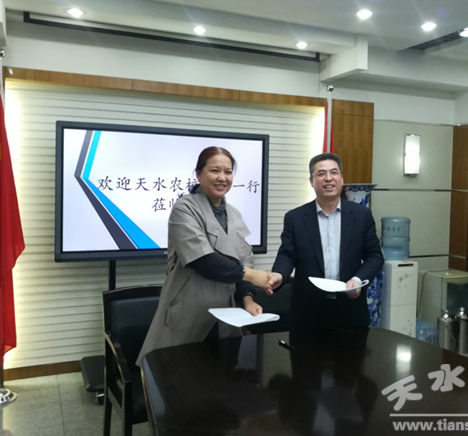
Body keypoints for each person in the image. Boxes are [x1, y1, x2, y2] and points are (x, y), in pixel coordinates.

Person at [137, 147, 272, 364]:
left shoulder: (234, 214)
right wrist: (251, 275)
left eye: (228, 172)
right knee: (179, 374)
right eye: (215, 170)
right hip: (189, 311)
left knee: (223, 375)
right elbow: (203, 260)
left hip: (227, 316)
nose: (222, 177)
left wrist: (247, 299)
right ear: (199, 174)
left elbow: (243, 259)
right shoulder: (184, 208)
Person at [269, 153, 384, 331]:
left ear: (341, 178)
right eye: (321, 173)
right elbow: (287, 255)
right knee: (304, 351)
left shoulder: (361, 215)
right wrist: (279, 274)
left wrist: (358, 280)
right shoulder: (295, 218)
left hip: (350, 309)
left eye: (334, 172)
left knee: (354, 351)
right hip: (308, 312)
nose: (328, 178)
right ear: (312, 181)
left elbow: (375, 256)